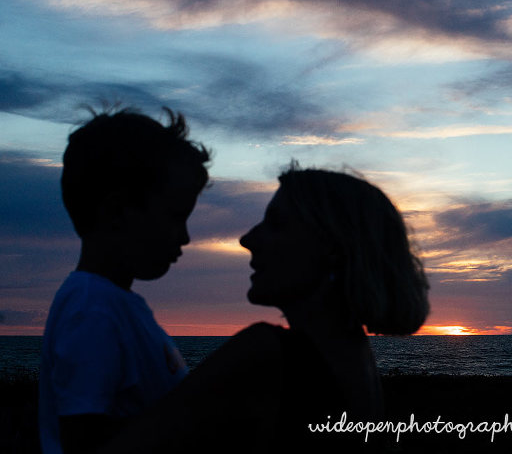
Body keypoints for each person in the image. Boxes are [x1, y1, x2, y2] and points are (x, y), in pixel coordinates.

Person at [98, 164, 430, 452]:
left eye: (276, 224)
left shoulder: (266, 354)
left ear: (329, 246)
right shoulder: (357, 358)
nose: (248, 239)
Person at [38, 105, 210, 454]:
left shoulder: (112, 304)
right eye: (176, 217)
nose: (186, 238)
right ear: (117, 211)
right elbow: (83, 440)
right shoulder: (93, 312)